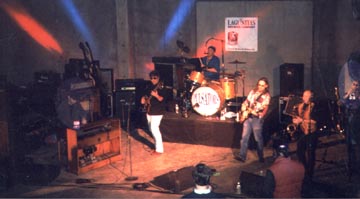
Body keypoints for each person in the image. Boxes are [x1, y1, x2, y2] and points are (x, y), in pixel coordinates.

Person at [234, 77, 271, 163]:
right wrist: (243, 108)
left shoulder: (266, 96)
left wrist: (257, 113)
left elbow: (265, 108)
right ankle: (242, 156)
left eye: (262, 85)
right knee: (244, 138)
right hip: (248, 118)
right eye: (259, 85)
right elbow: (246, 102)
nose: (260, 87)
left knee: (258, 138)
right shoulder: (253, 92)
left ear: (266, 86)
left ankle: (261, 156)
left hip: (256, 119)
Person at [140, 70, 169, 154]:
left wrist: (156, 95)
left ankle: (159, 150)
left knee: (154, 129)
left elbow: (161, 99)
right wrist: (144, 99)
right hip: (149, 110)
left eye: (154, 78)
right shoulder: (149, 86)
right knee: (151, 129)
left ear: (158, 78)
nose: (152, 80)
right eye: (151, 78)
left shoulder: (161, 87)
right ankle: (157, 147)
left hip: (158, 111)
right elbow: (146, 96)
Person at [292, 90, 318, 180]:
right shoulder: (300, 106)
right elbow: (297, 117)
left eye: (307, 96)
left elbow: (315, 121)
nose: (305, 98)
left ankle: (310, 174)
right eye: (304, 96)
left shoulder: (314, 107)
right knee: (299, 150)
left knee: (311, 153)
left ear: (311, 97)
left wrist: (302, 121)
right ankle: (304, 169)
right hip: (303, 131)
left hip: (312, 132)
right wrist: (295, 121)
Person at [340, 80, 360, 177]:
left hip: (357, 119)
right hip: (349, 119)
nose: (355, 86)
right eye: (354, 84)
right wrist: (349, 92)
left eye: (357, 85)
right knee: (350, 144)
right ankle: (351, 165)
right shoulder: (348, 93)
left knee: (355, 143)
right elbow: (342, 101)